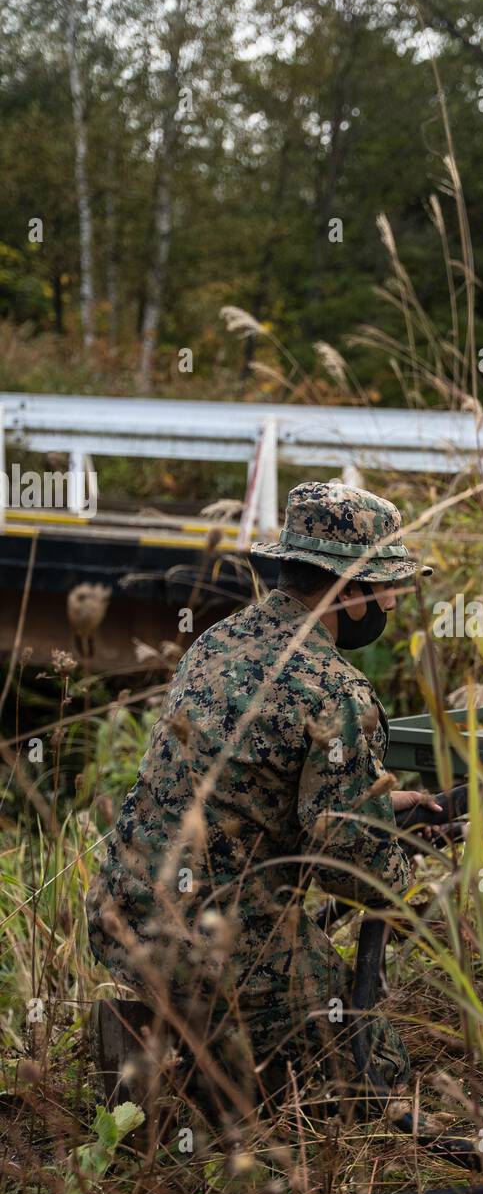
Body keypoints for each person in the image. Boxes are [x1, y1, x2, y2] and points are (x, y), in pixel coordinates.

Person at [86, 479, 437, 1130]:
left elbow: (250, 798)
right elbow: (348, 866)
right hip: (213, 940)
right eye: (384, 586)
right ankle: (196, 1087)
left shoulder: (217, 643)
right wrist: (400, 863)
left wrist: (378, 803)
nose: (390, 601)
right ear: (350, 590)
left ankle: (171, 1033)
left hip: (120, 912)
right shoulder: (336, 689)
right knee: (377, 1064)